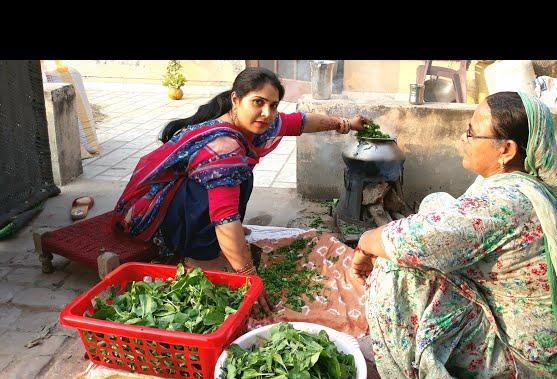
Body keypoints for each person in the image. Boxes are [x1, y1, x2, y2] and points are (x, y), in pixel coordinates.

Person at [350, 91, 557, 379]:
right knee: (437, 204)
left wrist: (365, 242)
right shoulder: (525, 185)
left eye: (471, 132)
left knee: (395, 272)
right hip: (538, 338)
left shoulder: (505, 202)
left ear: (506, 150)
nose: (464, 138)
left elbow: (411, 243)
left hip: (530, 361)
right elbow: (443, 225)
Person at [112, 67, 369, 315]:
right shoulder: (224, 146)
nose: (267, 113)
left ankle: (212, 240)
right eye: (258, 102)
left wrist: (344, 123)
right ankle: (200, 254)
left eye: (274, 105)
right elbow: (225, 218)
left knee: (239, 177)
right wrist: (248, 277)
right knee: (230, 180)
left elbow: (298, 122)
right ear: (236, 99)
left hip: (176, 198)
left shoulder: (255, 123)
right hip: (150, 213)